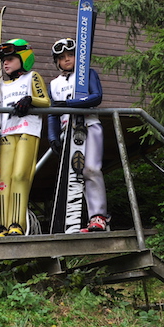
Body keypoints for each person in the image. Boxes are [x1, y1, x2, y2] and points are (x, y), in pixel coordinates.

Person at [0, 39, 51, 236]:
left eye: (11, 59)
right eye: (4, 60)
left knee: (20, 176)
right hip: (6, 132)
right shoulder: (0, 85)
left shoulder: (32, 77)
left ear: (23, 59)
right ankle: (1, 226)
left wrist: (30, 100)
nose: (6, 63)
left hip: (27, 130)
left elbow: (46, 101)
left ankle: (17, 224)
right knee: (2, 179)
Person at [47, 38, 109, 232]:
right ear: (57, 61)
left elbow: (96, 97)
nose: (66, 59)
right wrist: (53, 137)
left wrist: (69, 104)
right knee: (74, 176)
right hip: (68, 133)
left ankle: (99, 216)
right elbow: (52, 113)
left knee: (91, 169)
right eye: (62, 57)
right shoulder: (54, 84)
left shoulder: (87, 74)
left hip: (89, 125)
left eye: (71, 55)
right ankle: (77, 221)